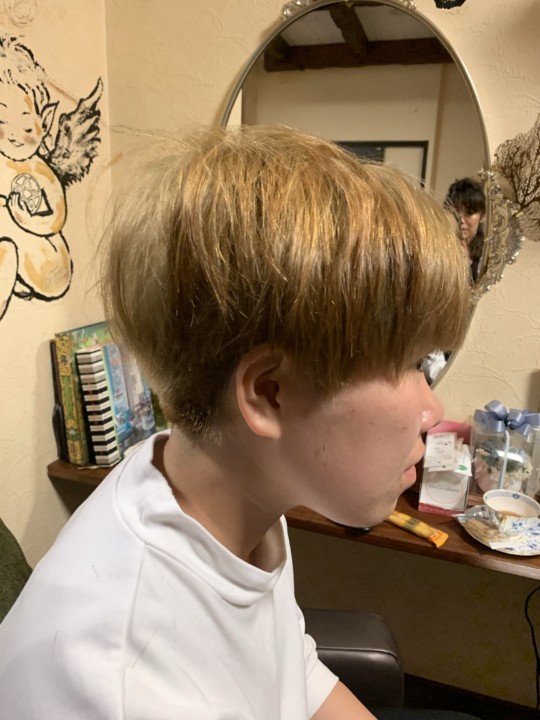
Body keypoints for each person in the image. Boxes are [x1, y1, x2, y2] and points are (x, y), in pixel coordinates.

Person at [0, 126, 476, 719]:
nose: (433, 412)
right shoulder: (117, 685)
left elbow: (292, 670)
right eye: (409, 364)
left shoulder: (229, 494)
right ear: (269, 394)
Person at [445, 178, 486, 282]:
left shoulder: (487, 255)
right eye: (455, 213)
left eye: (469, 213)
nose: (461, 220)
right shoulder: (439, 248)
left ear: (482, 216)